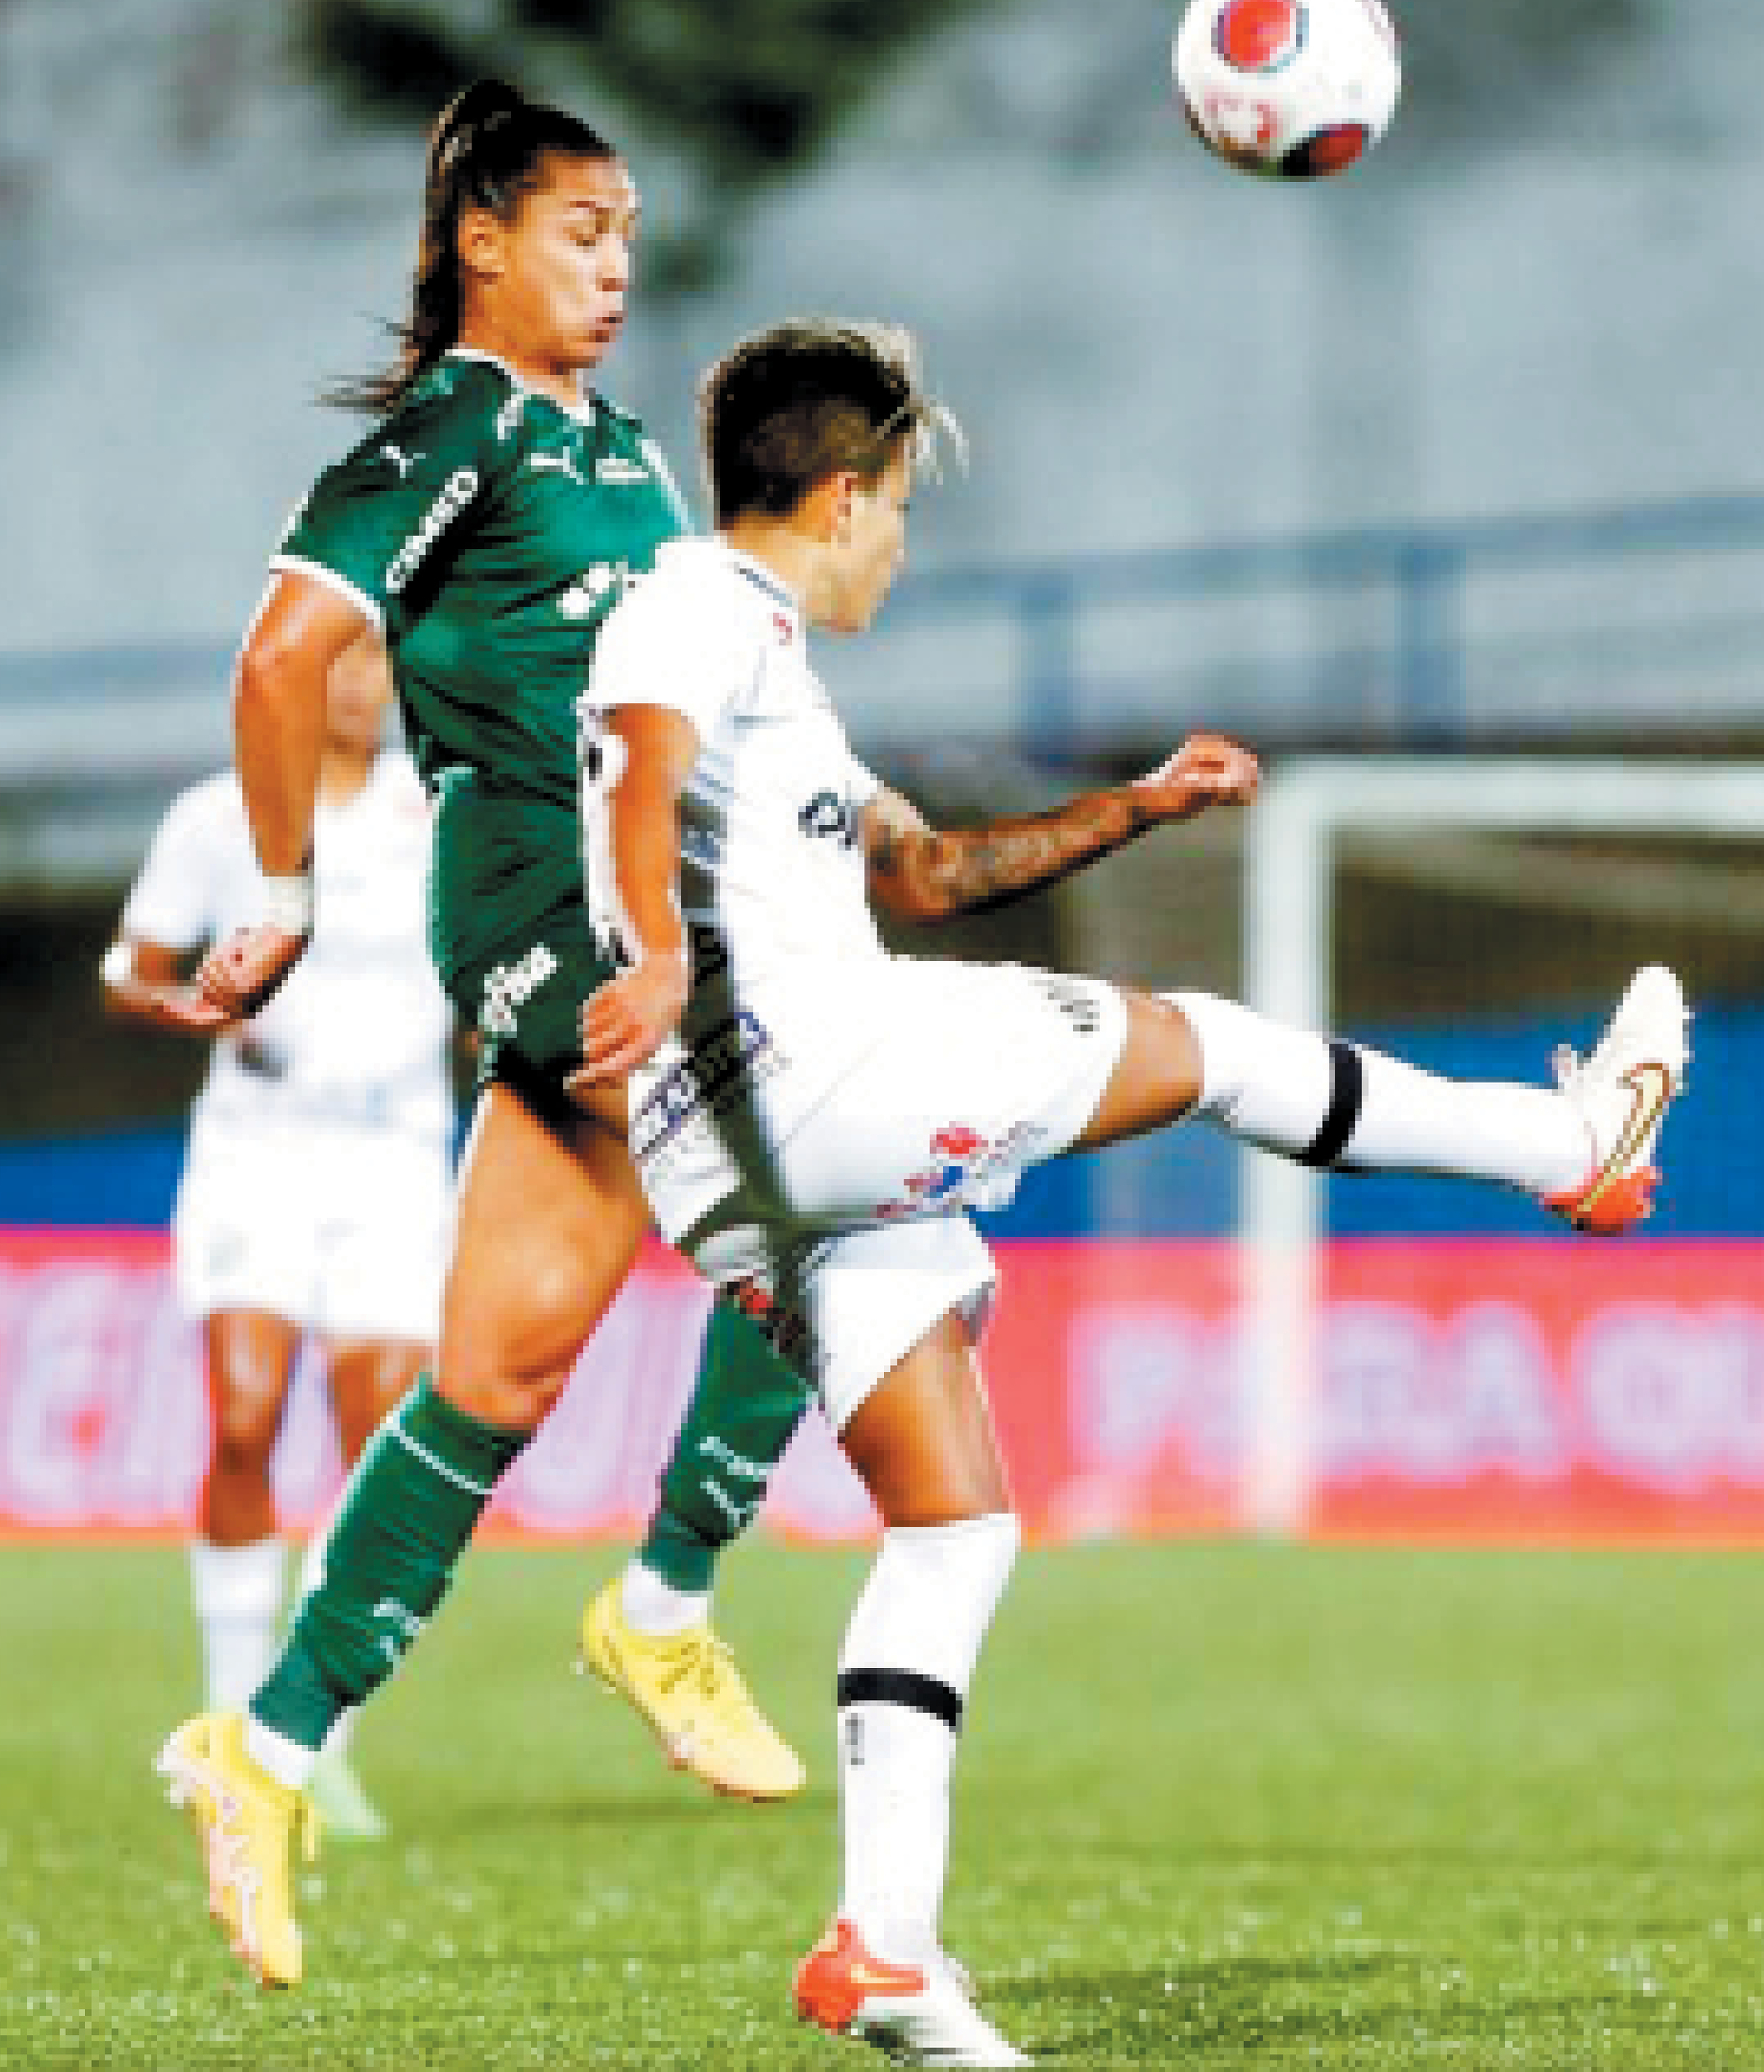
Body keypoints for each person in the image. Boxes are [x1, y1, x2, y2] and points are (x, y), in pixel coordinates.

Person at [574, 317, 1691, 2066]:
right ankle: (1572, 1147)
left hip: (740, 1158)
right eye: (898, 513)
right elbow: (637, 756)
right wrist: (646, 952)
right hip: (816, 1077)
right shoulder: (697, 612)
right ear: (848, 490)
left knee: (953, 1522)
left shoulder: (771, 673)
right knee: (1212, 1046)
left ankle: (887, 1949)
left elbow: (932, 870)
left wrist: (1141, 805)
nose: (901, 550)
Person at [153, 80, 821, 1991]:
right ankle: (669, 1603)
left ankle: (259, 1751)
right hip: (543, 913)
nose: (617, 266)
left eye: (628, 234)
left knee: (498, 1379)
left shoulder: (614, 451)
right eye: (580, 233)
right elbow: (284, 652)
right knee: (834, 1204)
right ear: (481, 243)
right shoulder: (457, 425)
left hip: (667, 913)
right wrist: (277, 893)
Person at [107, 630, 448, 1841]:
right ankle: (221, 1715)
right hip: (260, 1151)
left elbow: (481, 979)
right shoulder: (222, 815)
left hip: (399, 1154)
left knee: (374, 1457)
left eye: (377, 662)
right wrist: (199, 1005)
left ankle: (310, 1747)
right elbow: (129, 970)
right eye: (337, 662)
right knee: (246, 1418)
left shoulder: (440, 810)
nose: (359, 684)